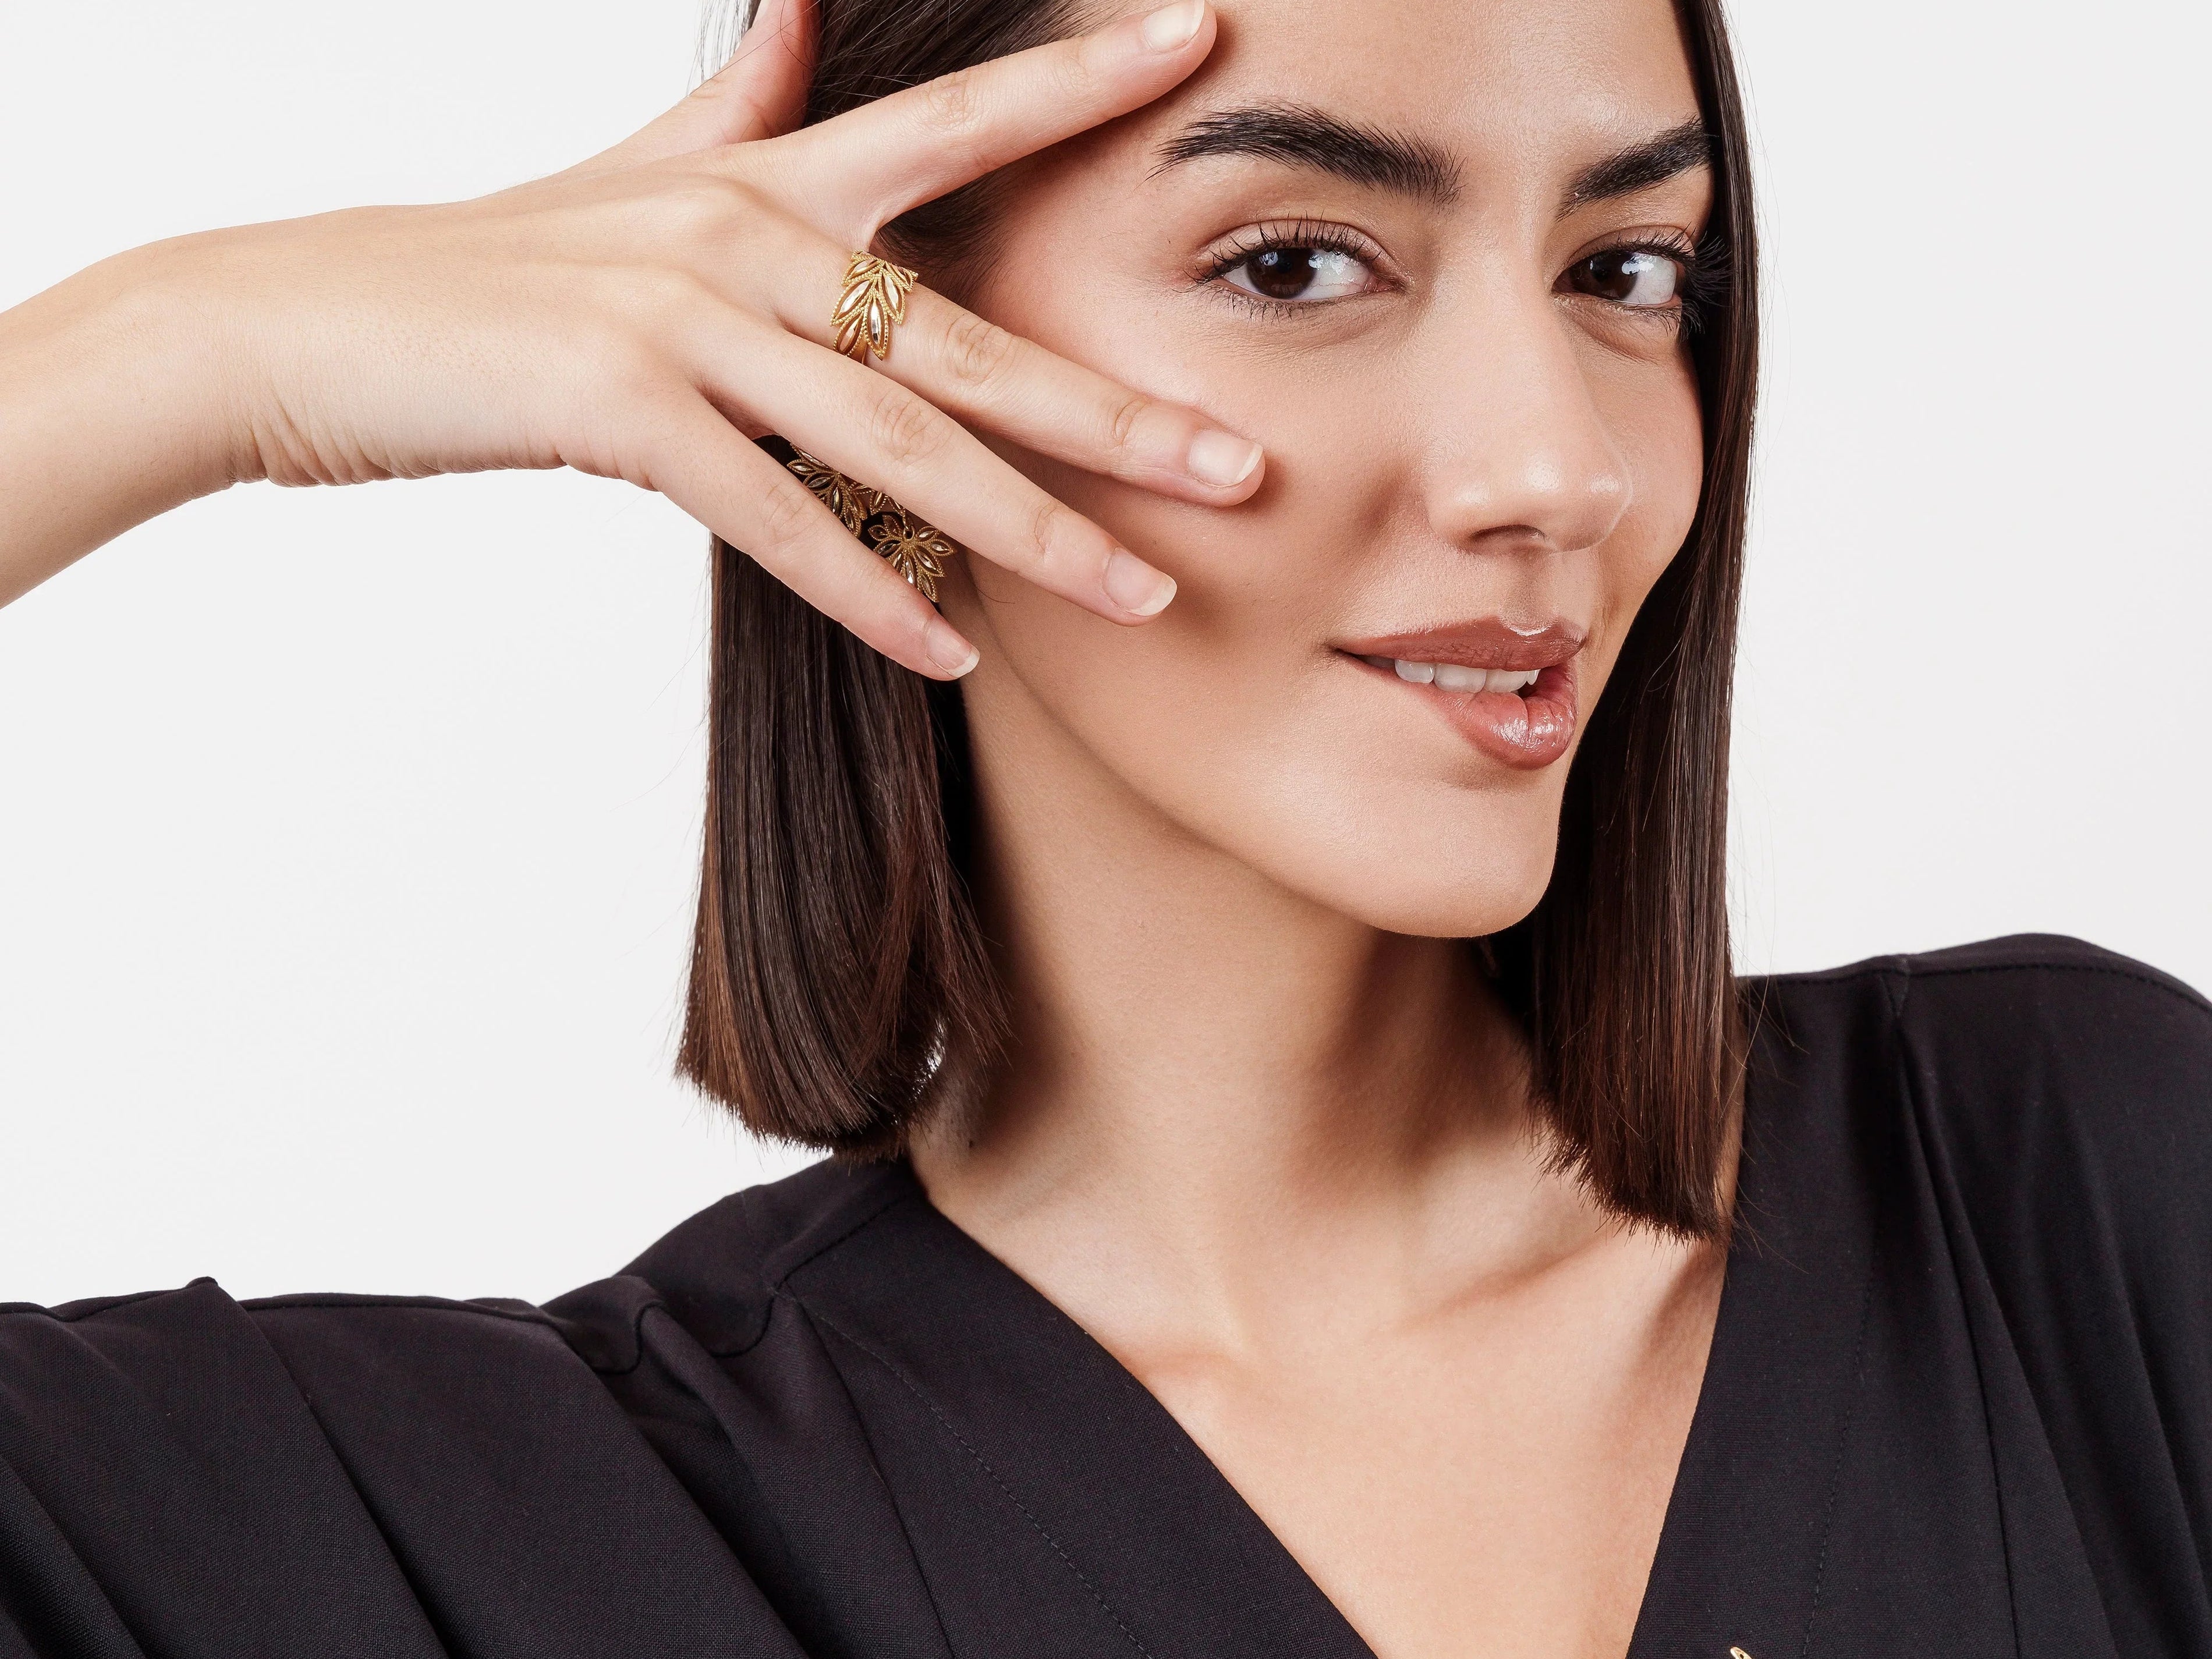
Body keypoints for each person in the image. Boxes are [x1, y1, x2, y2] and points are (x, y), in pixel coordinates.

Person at [0, 0, 2204, 1653]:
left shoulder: (2070, 1198)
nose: (1561, 465)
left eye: (1627, 272)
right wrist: (192, 349)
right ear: (861, 347)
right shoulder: (507, 1527)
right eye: (1294, 263)